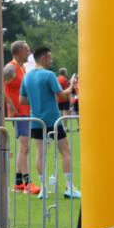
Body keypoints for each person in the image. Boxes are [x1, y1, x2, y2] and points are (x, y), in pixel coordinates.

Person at [20, 46, 79, 199]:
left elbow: (22, 100)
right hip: (53, 119)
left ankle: (43, 188)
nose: (51, 60)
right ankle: (69, 187)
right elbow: (62, 96)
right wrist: (71, 87)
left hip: (36, 120)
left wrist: (37, 101)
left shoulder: (27, 77)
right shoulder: (49, 75)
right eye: (50, 57)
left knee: (40, 153)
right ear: (44, 58)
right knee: (65, 151)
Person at [0, 40, 38, 194]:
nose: (29, 52)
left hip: (24, 112)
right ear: (19, 51)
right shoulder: (10, 67)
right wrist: (10, 103)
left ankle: (19, 183)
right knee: (24, 147)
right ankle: (27, 183)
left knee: (24, 148)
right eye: (27, 49)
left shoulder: (21, 67)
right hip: (19, 113)